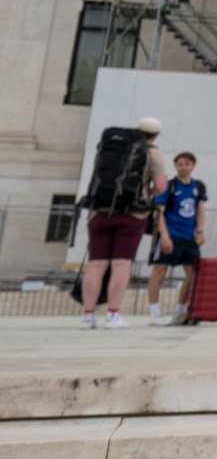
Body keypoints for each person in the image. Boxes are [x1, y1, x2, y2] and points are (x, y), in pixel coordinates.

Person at [79, 116, 169, 329]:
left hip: (98, 211)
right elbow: (162, 186)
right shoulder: (153, 152)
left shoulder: (109, 148)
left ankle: (88, 315)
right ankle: (112, 315)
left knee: (96, 264)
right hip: (132, 214)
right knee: (121, 263)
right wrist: (146, 194)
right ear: (155, 135)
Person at [146, 151, 206, 326]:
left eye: (187, 164)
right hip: (171, 234)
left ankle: (181, 311)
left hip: (188, 237)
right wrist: (164, 236)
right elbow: (159, 212)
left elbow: (200, 210)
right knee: (160, 271)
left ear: (193, 165)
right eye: (180, 164)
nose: (183, 167)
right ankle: (154, 312)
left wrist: (199, 231)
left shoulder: (198, 187)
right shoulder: (170, 186)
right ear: (176, 166)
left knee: (193, 273)